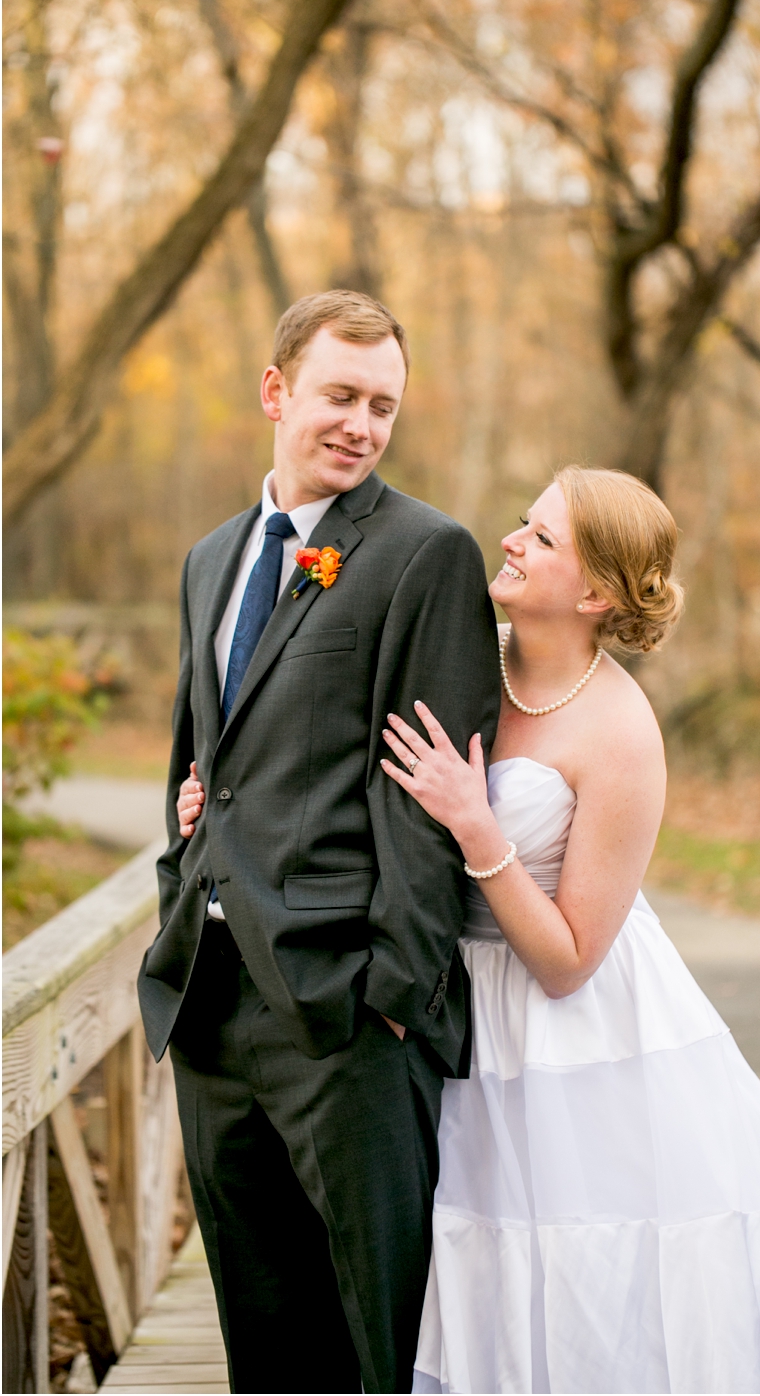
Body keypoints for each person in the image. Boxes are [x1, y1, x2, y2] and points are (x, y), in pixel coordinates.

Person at [375, 466, 760, 1396]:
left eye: (540, 538)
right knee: (485, 1265)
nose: (509, 540)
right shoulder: (465, 654)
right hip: (456, 1017)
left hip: (576, 1037)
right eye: (523, 523)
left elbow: (570, 963)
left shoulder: (622, 732)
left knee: (599, 1271)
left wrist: (477, 827)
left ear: (593, 593)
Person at [139, 289, 501, 1395]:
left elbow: (429, 795)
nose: (360, 423)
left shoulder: (422, 554)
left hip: (347, 1017)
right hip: (211, 1008)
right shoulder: (212, 558)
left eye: (382, 404)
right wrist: (182, 865)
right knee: (264, 1337)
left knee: (376, 1335)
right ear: (276, 391)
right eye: (339, 395)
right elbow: (199, 757)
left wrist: (389, 993)